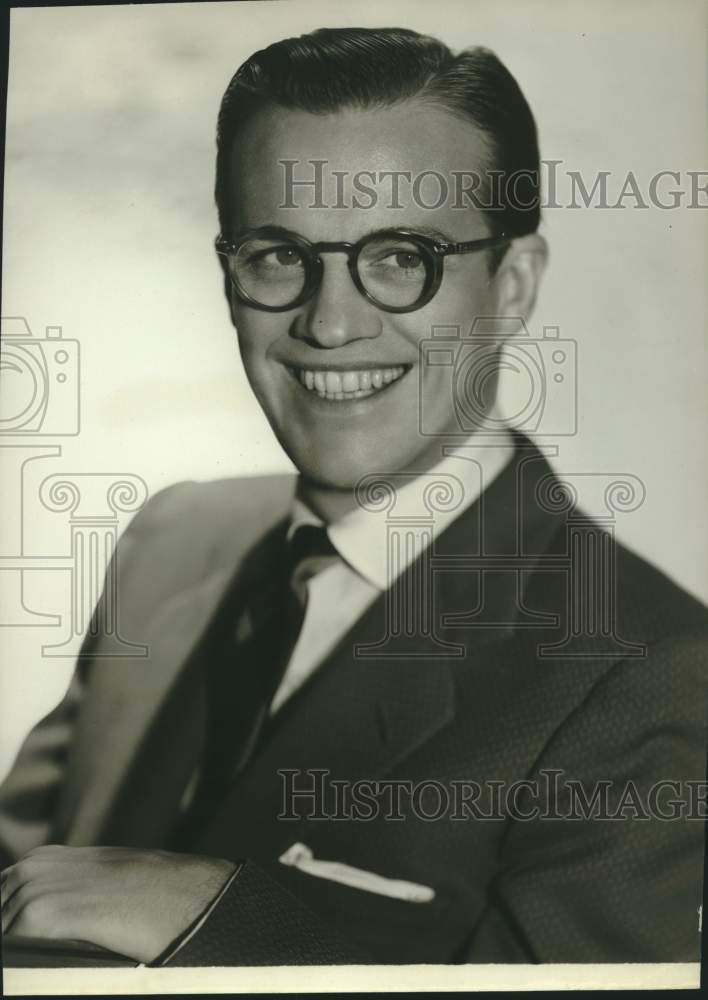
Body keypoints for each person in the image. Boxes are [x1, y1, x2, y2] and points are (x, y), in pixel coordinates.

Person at [1, 27, 707, 967]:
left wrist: (214, 914)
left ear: (513, 286)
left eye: (400, 256)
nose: (330, 324)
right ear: (228, 275)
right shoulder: (174, 538)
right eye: (277, 256)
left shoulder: (653, 674)